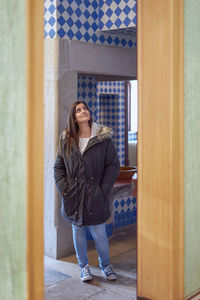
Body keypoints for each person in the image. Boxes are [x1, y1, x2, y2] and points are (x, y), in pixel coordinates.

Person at [54, 100, 120, 282]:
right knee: (78, 230)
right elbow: (58, 166)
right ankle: (83, 267)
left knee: (99, 232)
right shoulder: (66, 138)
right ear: (74, 117)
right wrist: (64, 188)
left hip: (96, 194)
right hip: (74, 194)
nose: (83, 111)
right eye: (78, 110)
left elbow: (113, 166)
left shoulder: (103, 137)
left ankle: (106, 265)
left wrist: (103, 190)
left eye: (85, 109)